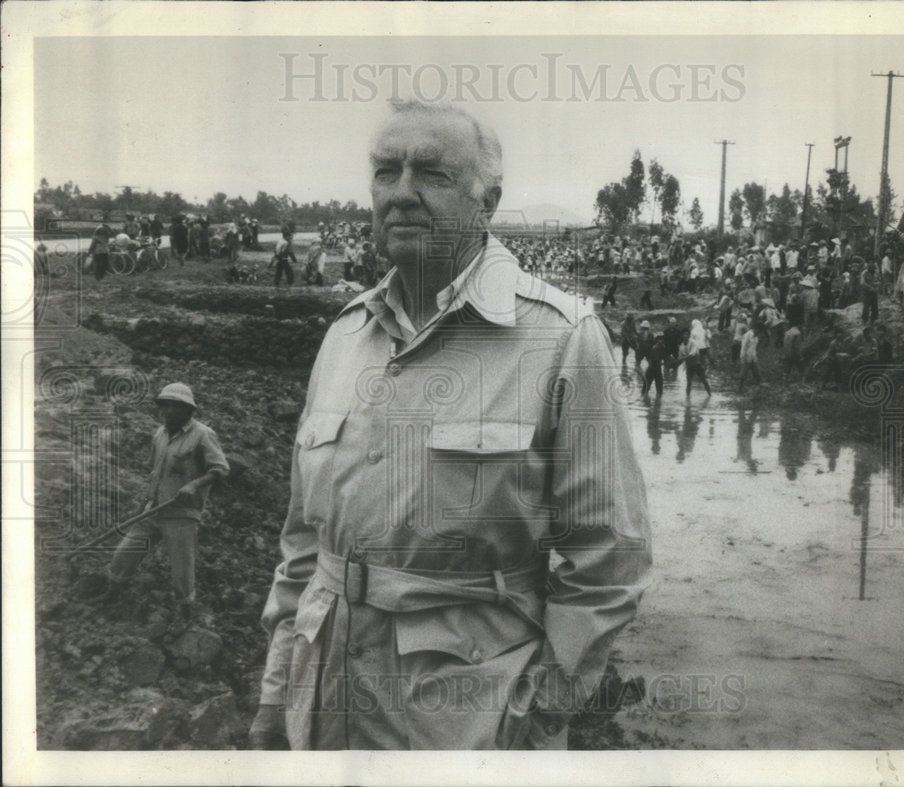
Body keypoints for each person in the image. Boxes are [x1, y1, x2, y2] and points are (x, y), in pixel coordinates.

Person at [249, 101, 651, 751]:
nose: (401, 192)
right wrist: (275, 691)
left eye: (431, 174)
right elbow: (304, 542)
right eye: (386, 171)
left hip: (465, 720)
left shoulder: (558, 338)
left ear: (487, 201)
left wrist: (542, 714)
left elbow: (610, 556)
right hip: (321, 701)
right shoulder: (343, 337)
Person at [88, 383, 229, 604]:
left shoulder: (203, 435)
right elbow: (155, 472)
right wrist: (145, 501)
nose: (168, 411)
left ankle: (185, 609)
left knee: (182, 570)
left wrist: (194, 485)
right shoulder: (159, 434)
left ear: (188, 410)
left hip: (182, 514)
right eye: (165, 406)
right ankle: (113, 591)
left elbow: (221, 470)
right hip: (153, 509)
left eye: (175, 406)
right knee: (125, 553)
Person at [679, 326, 711, 398]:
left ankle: (710, 395)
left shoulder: (693, 343)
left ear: (689, 335)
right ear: (681, 335)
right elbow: (680, 357)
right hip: (689, 366)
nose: (685, 336)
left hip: (697, 365)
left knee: (704, 380)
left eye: (687, 334)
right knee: (689, 383)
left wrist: (682, 359)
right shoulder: (681, 345)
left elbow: (692, 354)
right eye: (684, 334)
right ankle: (687, 398)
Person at [737, 323, 761, 393]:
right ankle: (739, 389)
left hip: (753, 357)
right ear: (756, 329)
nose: (759, 333)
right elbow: (744, 347)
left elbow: (754, 347)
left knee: (757, 373)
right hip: (746, 357)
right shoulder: (747, 335)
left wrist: (755, 357)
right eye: (758, 331)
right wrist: (743, 357)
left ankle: (759, 388)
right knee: (743, 374)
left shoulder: (755, 336)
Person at [859, 259, 881, 324]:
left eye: (872, 268)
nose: (871, 270)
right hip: (866, 292)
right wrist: (870, 287)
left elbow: (880, 281)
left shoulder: (876, 272)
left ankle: (873, 320)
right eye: (869, 268)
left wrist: (876, 285)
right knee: (866, 306)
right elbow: (862, 283)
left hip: (874, 291)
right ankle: (864, 320)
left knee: (874, 306)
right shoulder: (864, 273)